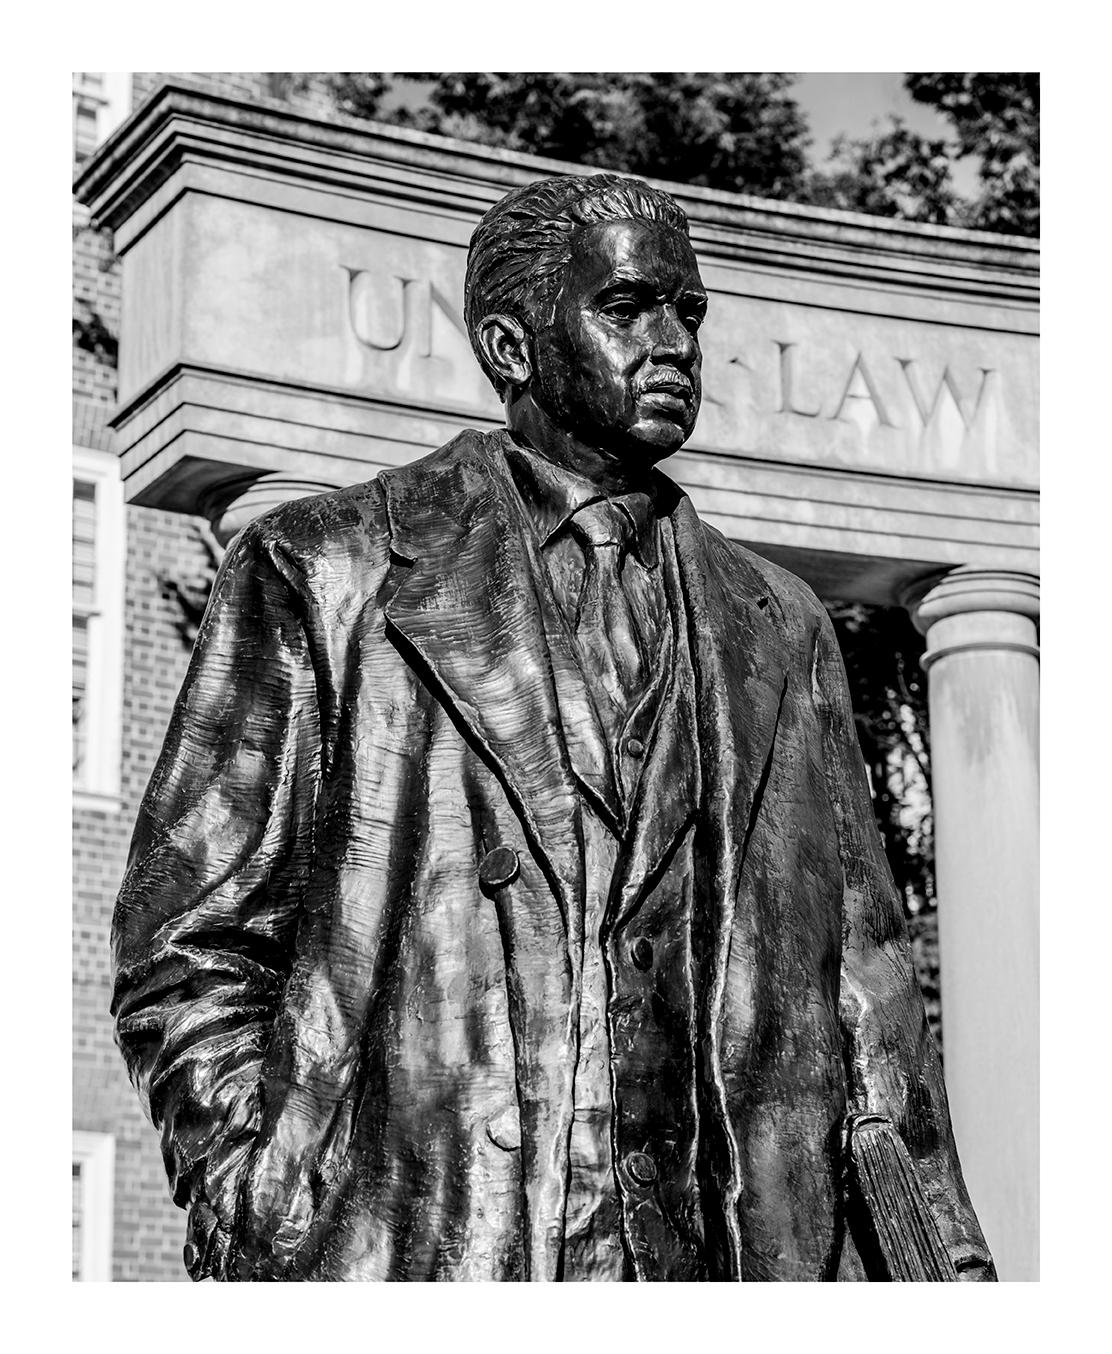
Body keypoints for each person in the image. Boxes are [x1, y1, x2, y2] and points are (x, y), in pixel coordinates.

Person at [111, 172, 995, 1282]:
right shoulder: (326, 566)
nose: (671, 341)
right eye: (626, 310)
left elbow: (870, 999)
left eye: (689, 312)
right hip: (429, 1249)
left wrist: (947, 1269)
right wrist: (267, 1214)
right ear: (511, 346)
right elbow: (187, 948)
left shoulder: (779, 625)